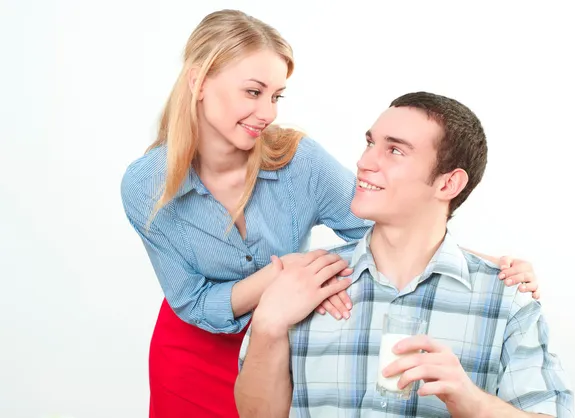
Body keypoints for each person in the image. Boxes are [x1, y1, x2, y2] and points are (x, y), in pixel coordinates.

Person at [121, 10, 540, 418]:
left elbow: (385, 230)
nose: (269, 113)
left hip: (288, 338)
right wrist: (286, 275)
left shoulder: (297, 160)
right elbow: (192, 302)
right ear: (198, 82)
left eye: (276, 96)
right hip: (193, 353)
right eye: (253, 92)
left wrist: (484, 264)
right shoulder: (145, 186)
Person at [235, 92, 572, 418]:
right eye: (370, 143)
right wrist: (268, 324)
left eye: (394, 150)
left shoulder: (506, 300)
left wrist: (469, 400)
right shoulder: (303, 281)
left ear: (448, 184)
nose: (364, 162)